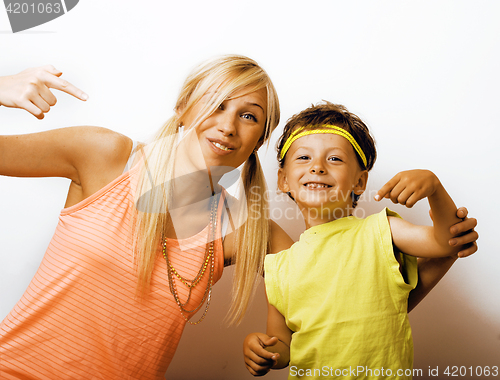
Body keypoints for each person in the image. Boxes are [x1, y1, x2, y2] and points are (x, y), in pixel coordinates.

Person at [0, 59, 476, 379]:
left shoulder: (249, 233)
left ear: (260, 141)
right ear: (185, 108)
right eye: (216, 103)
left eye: (249, 116)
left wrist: (446, 245)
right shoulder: (105, 156)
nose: (227, 125)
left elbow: (351, 303)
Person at [243, 102, 479, 379]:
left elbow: (446, 241)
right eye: (304, 158)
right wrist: (263, 350)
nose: (317, 167)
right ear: (283, 180)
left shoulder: (381, 230)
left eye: (334, 159)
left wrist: (434, 188)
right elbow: (282, 345)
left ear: (360, 182)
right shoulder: (279, 267)